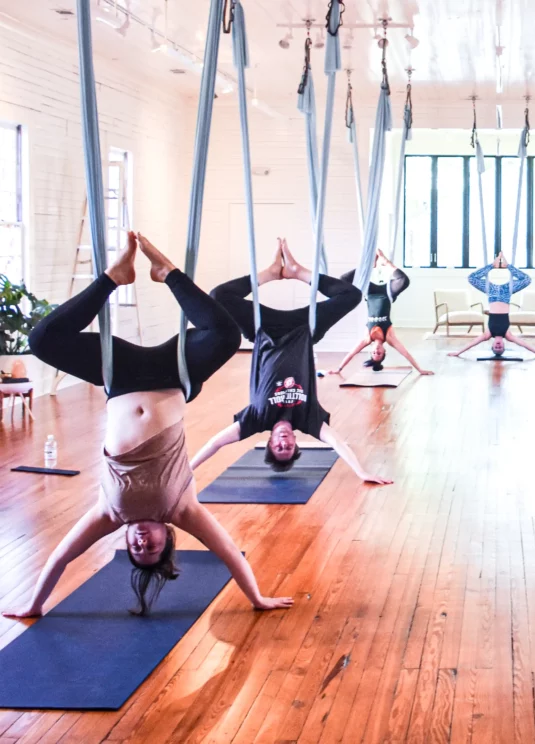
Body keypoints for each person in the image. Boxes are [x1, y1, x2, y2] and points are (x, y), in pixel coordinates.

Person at [3, 233, 292, 617]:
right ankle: (167, 272)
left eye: (135, 549)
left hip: (118, 377)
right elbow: (227, 552)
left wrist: (34, 605)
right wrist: (257, 598)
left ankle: (113, 277)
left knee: (41, 340)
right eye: (152, 547)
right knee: (226, 337)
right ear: (167, 538)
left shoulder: (109, 514)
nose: (142, 543)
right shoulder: (182, 509)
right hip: (175, 375)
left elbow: (60, 557)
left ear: (124, 541)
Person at [190, 239, 391, 484]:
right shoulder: (308, 419)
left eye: (279, 447)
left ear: (270, 443)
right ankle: (298, 272)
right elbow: (337, 442)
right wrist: (361, 472)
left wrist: (187, 470)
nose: (284, 442)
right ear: (296, 442)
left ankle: (269, 274)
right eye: (288, 447)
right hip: (305, 329)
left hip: (263, 330)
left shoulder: (255, 420)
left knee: (219, 296)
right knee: (351, 295)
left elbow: (215, 443)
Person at [329, 250, 433, 377]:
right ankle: (385, 262)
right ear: (384, 352)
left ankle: (368, 267)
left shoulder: (367, 338)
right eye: (379, 354)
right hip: (387, 294)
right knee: (404, 280)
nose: (376, 352)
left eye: (374, 354)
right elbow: (406, 353)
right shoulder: (389, 337)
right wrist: (420, 370)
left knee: (343, 280)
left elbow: (351, 353)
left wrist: (338, 369)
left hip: (370, 293)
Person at [448, 250, 535, 359]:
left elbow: (473, 343)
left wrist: (458, 353)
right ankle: (507, 265)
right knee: (527, 280)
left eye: (496, 348)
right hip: (506, 294)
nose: (498, 346)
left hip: (491, 293)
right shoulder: (508, 335)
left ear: (492, 345)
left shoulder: (488, 334)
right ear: (504, 346)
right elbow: (522, 343)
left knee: (471, 278)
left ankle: (492, 265)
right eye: (500, 348)